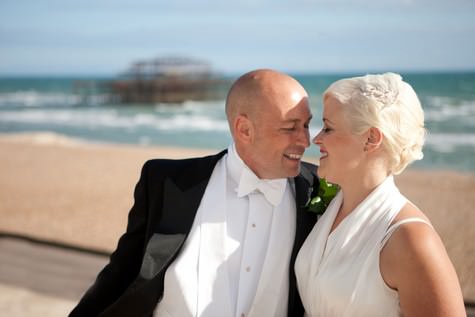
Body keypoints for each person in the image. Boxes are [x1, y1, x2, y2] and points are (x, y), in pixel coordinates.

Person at [69, 69, 319, 317]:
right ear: (244, 129)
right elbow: (121, 275)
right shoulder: (166, 182)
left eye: (307, 125)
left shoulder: (320, 190)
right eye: (290, 128)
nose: (305, 140)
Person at [295, 73, 465, 316]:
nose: (316, 139)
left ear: (371, 139)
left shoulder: (411, 239)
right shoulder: (329, 204)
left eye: (328, 128)